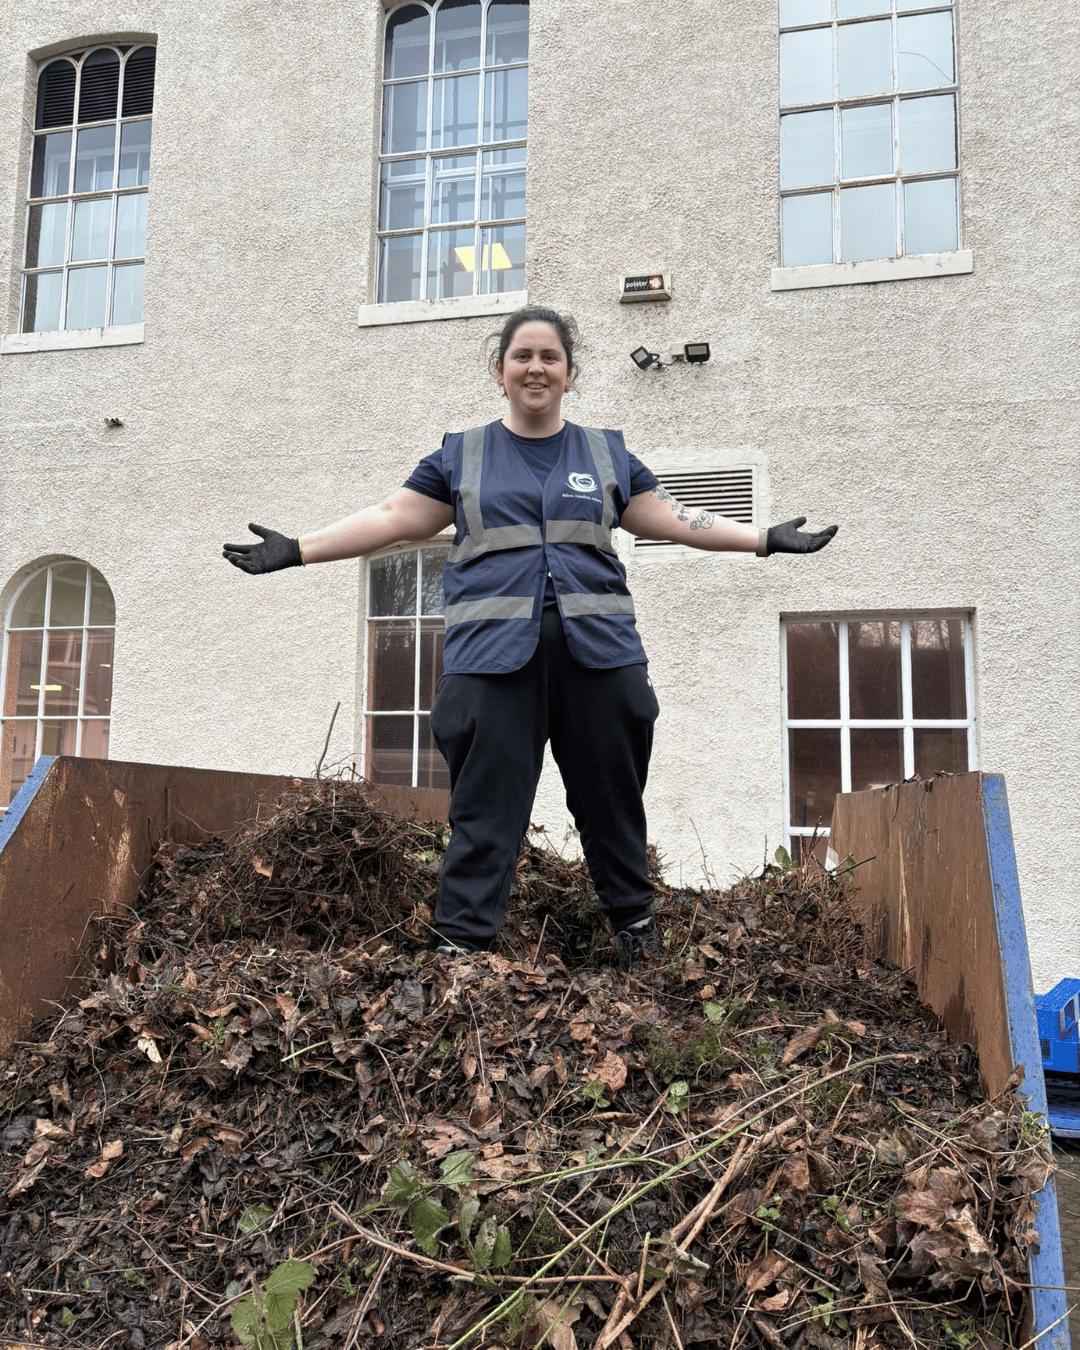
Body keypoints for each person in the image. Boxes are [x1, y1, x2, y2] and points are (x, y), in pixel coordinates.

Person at [223, 306, 837, 968]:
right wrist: (299, 549)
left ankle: (635, 937)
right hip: (491, 665)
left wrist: (763, 539)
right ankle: (461, 951)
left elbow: (668, 518)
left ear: (570, 375)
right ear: (500, 372)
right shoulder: (462, 454)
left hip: (599, 659)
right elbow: (395, 517)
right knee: (484, 811)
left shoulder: (607, 453)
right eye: (522, 357)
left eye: (550, 357)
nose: (536, 367)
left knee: (612, 801)